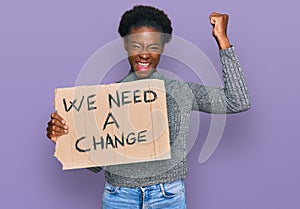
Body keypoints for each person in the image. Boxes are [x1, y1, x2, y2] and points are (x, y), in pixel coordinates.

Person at [46, 5, 250, 209]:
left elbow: (237, 101)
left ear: (162, 48)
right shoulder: (105, 99)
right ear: (125, 45)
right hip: (119, 197)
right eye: (136, 45)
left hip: (168, 197)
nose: (144, 54)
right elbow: (96, 166)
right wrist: (66, 139)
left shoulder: (180, 91)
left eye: (153, 47)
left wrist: (222, 40)